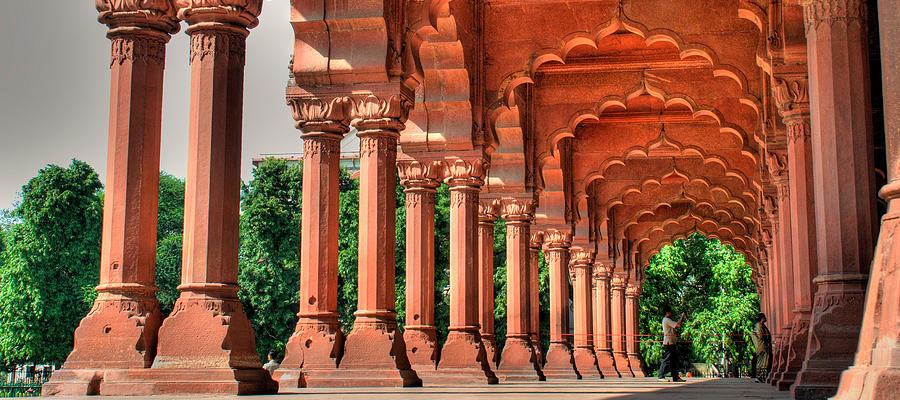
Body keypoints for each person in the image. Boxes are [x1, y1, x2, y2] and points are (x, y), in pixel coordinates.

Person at [657, 305, 686, 382]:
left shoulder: (666, 320)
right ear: (667, 313)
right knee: (667, 359)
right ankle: (661, 376)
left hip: (671, 342)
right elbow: (678, 325)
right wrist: (682, 317)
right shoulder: (666, 320)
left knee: (673, 361)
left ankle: (675, 377)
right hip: (668, 343)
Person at [750, 313, 772, 383]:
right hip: (762, 346)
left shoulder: (761, 326)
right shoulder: (759, 326)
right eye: (764, 317)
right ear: (762, 319)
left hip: (762, 346)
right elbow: (761, 336)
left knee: (761, 362)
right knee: (763, 362)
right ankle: (760, 377)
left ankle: (760, 377)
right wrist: (767, 342)